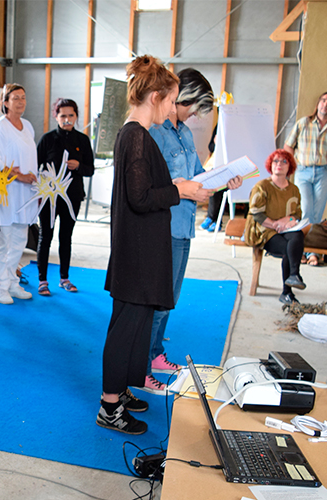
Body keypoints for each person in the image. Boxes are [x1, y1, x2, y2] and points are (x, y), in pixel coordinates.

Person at [99, 55, 203, 435]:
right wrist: (180, 190)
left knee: (138, 326)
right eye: (172, 100)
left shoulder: (136, 134)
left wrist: (178, 187)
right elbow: (141, 197)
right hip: (137, 250)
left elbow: (141, 190)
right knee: (126, 329)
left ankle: (121, 390)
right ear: (156, 97)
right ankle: (109, 405)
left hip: (141, 247)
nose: (173, 109)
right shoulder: (137, 136)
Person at [146, 69, 243, 396]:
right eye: (194, 107)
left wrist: (224, 179)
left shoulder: (185, 134)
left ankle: (155, 353)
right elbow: (156, 184)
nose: (195, 115)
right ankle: (143, 366)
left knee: (170, 298)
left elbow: (199, 176)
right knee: (158, 300)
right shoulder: (155, 132)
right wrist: (185, 187)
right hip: (164, 226)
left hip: (185, 226)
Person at [283, 91, 327, 265]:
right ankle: (302, 250)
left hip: (324, 172)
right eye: (323, 101)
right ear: (318, 104)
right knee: (306, 210)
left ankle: (312, 252)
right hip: (303, 171)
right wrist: (294, 164)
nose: (325, 105)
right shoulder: (304, 123)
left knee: (317, 213)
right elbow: (288, 145)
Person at [0, 83, 40, 304]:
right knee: (3, 242)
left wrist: (35, 186)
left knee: (19, 240)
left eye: (23, 97)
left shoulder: (27, 126)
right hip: (6, 193)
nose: (20, 101)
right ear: (5, 102)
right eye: (15, 97)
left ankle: (12, 282)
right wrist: (19, 176)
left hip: (26, 193)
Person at [34, 98, 94, 296]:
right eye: (63, 116)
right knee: (45, 236)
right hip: (49, 197)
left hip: (72, 197)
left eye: (71, 115)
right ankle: (42, 280)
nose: (67, 119)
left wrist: (79, 166)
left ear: (76, 116)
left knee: (66, 237)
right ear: (56, 117)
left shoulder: (82, 140)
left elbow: (90, 170)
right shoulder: (47, 139)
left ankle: (64, 278)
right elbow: (35, 167)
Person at [243, 149, 307, 305]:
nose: (279, 164)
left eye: (284, 161)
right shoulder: (262, 186)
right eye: (275, 161)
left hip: (285, 229)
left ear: (290, 167)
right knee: (289, 249)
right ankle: (287, 292)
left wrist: (288, 219)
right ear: (270, 165)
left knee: (297, 236)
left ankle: (294, 275)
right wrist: (275, 224)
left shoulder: (294, 189)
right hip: (262, 230)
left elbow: (297, 213)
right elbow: (256, 214)